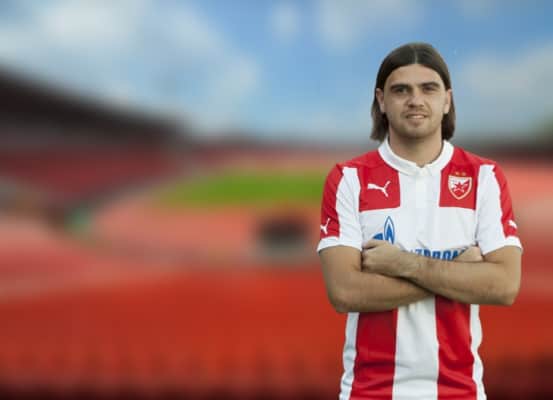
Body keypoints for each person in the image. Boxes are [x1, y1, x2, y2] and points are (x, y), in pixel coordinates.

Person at [317, 42, 522, 400]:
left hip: (460, 391)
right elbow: (345, 292)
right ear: (381, 101)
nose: (415, 100)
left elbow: (504, 285)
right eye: (401, 90)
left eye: (428, 88)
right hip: (369, 392)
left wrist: (403, 264)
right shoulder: (349, 178)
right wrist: (461, 273)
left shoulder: (484, 176)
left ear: (447, 100)